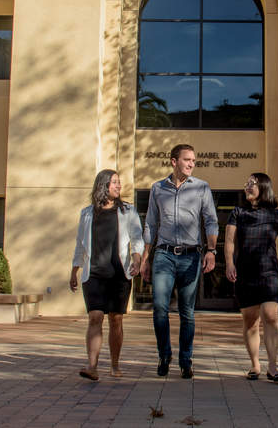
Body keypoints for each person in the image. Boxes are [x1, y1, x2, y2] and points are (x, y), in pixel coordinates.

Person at [140, 144, 218, 379]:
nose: (192, 164)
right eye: (187, 160)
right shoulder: (157, 189)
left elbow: (211, 221)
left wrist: (212, 250)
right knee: (160, 309)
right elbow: (151, 225)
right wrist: (145, 259)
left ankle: (186, 359)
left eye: (194, 160)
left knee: (187, 312)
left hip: (191, 255)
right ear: (174, 162)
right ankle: (164, 355)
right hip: (163, 255)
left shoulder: (202, 188)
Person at [224, 172, 278, 383]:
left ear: (264, 188)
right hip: (245, 272)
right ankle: (255, 365)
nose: (247, 186)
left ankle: (273, 367)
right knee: (250, 321)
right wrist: (230, 264)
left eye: (253, 183)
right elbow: (229, 241)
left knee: (271, 316)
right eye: (247, 183)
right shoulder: (238, 212)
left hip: (269, 272)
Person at [70, 169, 144, 381]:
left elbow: (137, 238)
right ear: (103, 185)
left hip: (119, 273)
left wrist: (137, 259)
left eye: (119, 183)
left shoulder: (128, 211)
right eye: (114, 183)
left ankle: (114, 364)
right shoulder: (86, 213)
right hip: (93, 274)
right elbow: (80, 244)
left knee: (116, 319)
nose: (119, 186)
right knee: (95, 317)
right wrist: (74, 270)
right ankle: (92, 366)